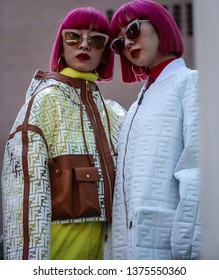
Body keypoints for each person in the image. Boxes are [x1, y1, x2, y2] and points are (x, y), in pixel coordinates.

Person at [1, 7, 126, 260]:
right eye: (73, 37)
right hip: (57, 253)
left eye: (96, 39)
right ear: (61, 45)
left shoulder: (113, 113)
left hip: (106, 255)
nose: (84, 44)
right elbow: (23, 195)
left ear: (104, 54)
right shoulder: (43, 103)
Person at [109, 0, 201, 260]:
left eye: (133, 30)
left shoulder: (190, 82)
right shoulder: (139, 102)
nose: (126, 44)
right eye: (118, 43)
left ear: (160, 25)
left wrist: (189, 251)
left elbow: (197, 170)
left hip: (171, 251)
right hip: (131, 251)